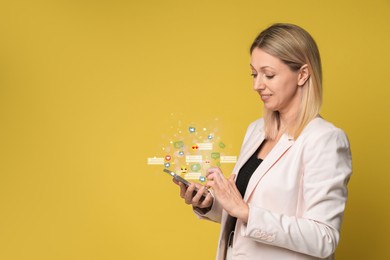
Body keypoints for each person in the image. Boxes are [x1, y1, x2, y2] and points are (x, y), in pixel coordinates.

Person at [173, 23, 352, 260]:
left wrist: (246, 211)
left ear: (302, 74)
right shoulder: (257, 131)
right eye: (254, 74)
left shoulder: (325, 139)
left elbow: (324, 238)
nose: (257, 85)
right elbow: (243, 218)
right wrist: (211, 205)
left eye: (268, 75)